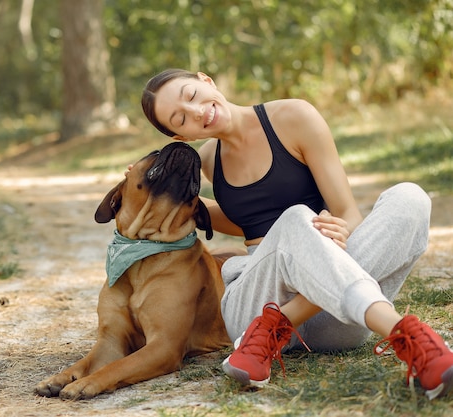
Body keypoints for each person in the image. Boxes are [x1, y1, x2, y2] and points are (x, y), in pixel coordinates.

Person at [139, 68, 453, 400]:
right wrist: (144, 188)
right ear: (181, 137)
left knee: (410, 198)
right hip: (257, 304)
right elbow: (244, 220)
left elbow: (347, 213)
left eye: (191, 95)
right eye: (181, 118)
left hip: (333, 319)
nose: (198, 112)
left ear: (206, 80)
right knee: (295, 219)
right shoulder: (206, 162)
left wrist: (341, 232)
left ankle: (279, 324)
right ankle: (411, 339)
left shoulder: (293, 117)